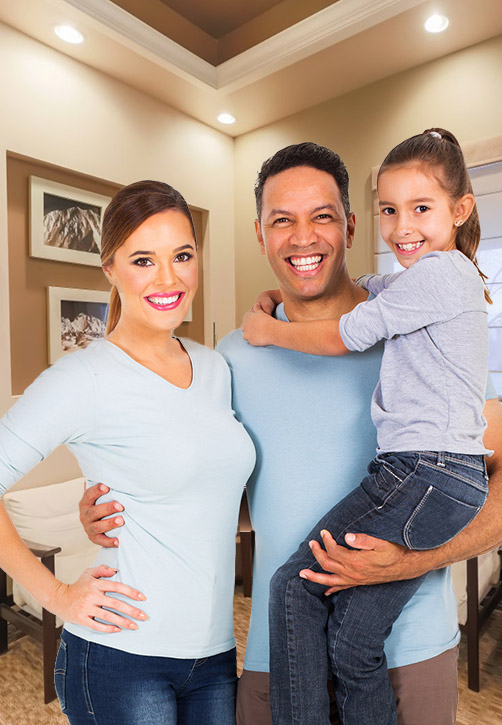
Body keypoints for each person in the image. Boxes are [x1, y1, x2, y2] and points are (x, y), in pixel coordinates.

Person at [78, 145, 502, 725]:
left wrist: (410, 561)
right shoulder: (230, 358)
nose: (302, 237)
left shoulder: (421, 330)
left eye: (322, 216)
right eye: (282, 220)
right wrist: (121, 511)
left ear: (351, 225)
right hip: (279, 654)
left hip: (406, 654)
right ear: (260, 235)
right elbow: (221, 498)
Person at [241, 129, 491, 724]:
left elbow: (347, 329)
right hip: (280, 657)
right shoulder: (410, 292)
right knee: (353, 642)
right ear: (260, 235)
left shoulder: (433, 286)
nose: (403, 225)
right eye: (391, 210)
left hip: (424, 474)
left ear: (461, 209)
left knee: (291, 585)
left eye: (421, 208)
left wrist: (271, 329)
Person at [0, 180, 255, 724]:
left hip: (214, 654)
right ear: (110, 269)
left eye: (182, 255)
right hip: (121, 657)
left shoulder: (215, 367)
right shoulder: (83, 378)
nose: (169, 279)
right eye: (144, 259)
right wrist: (55, 594)